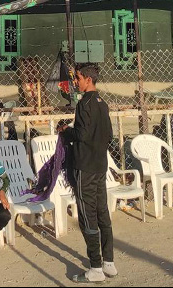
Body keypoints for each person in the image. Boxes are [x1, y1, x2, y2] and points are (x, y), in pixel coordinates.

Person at [59, 62, 117, 283]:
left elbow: (81, 135)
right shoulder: (103, 104)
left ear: (88, 80)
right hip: (100, 165)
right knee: (102, 212)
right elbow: (109, 135)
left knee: (87, 216)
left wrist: (66, 131)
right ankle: (108, 262)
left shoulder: (85, 104)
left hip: (85, 167)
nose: (75, 82)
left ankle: (95, 267)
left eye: (78, 78)